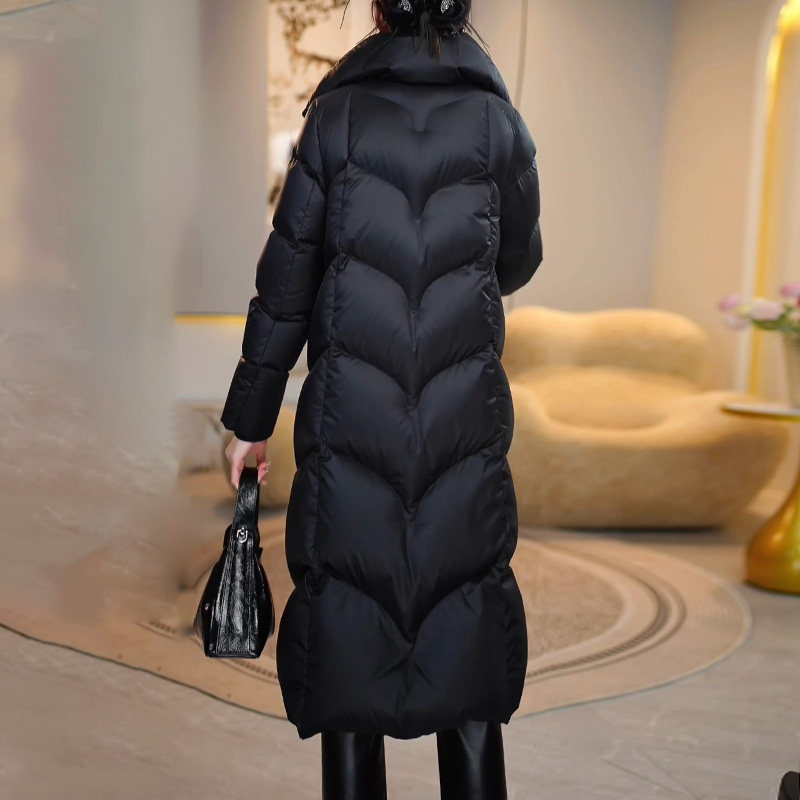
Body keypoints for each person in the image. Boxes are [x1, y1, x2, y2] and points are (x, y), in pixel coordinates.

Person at [221, 0, 542, 796]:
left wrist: (249, 421)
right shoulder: (498, 124)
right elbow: (519, 260)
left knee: (350, 635)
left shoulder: (335, 119)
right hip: (460, 417)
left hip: (350, 416)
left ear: (377, 10)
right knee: (465, 627)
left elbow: (287, 283)